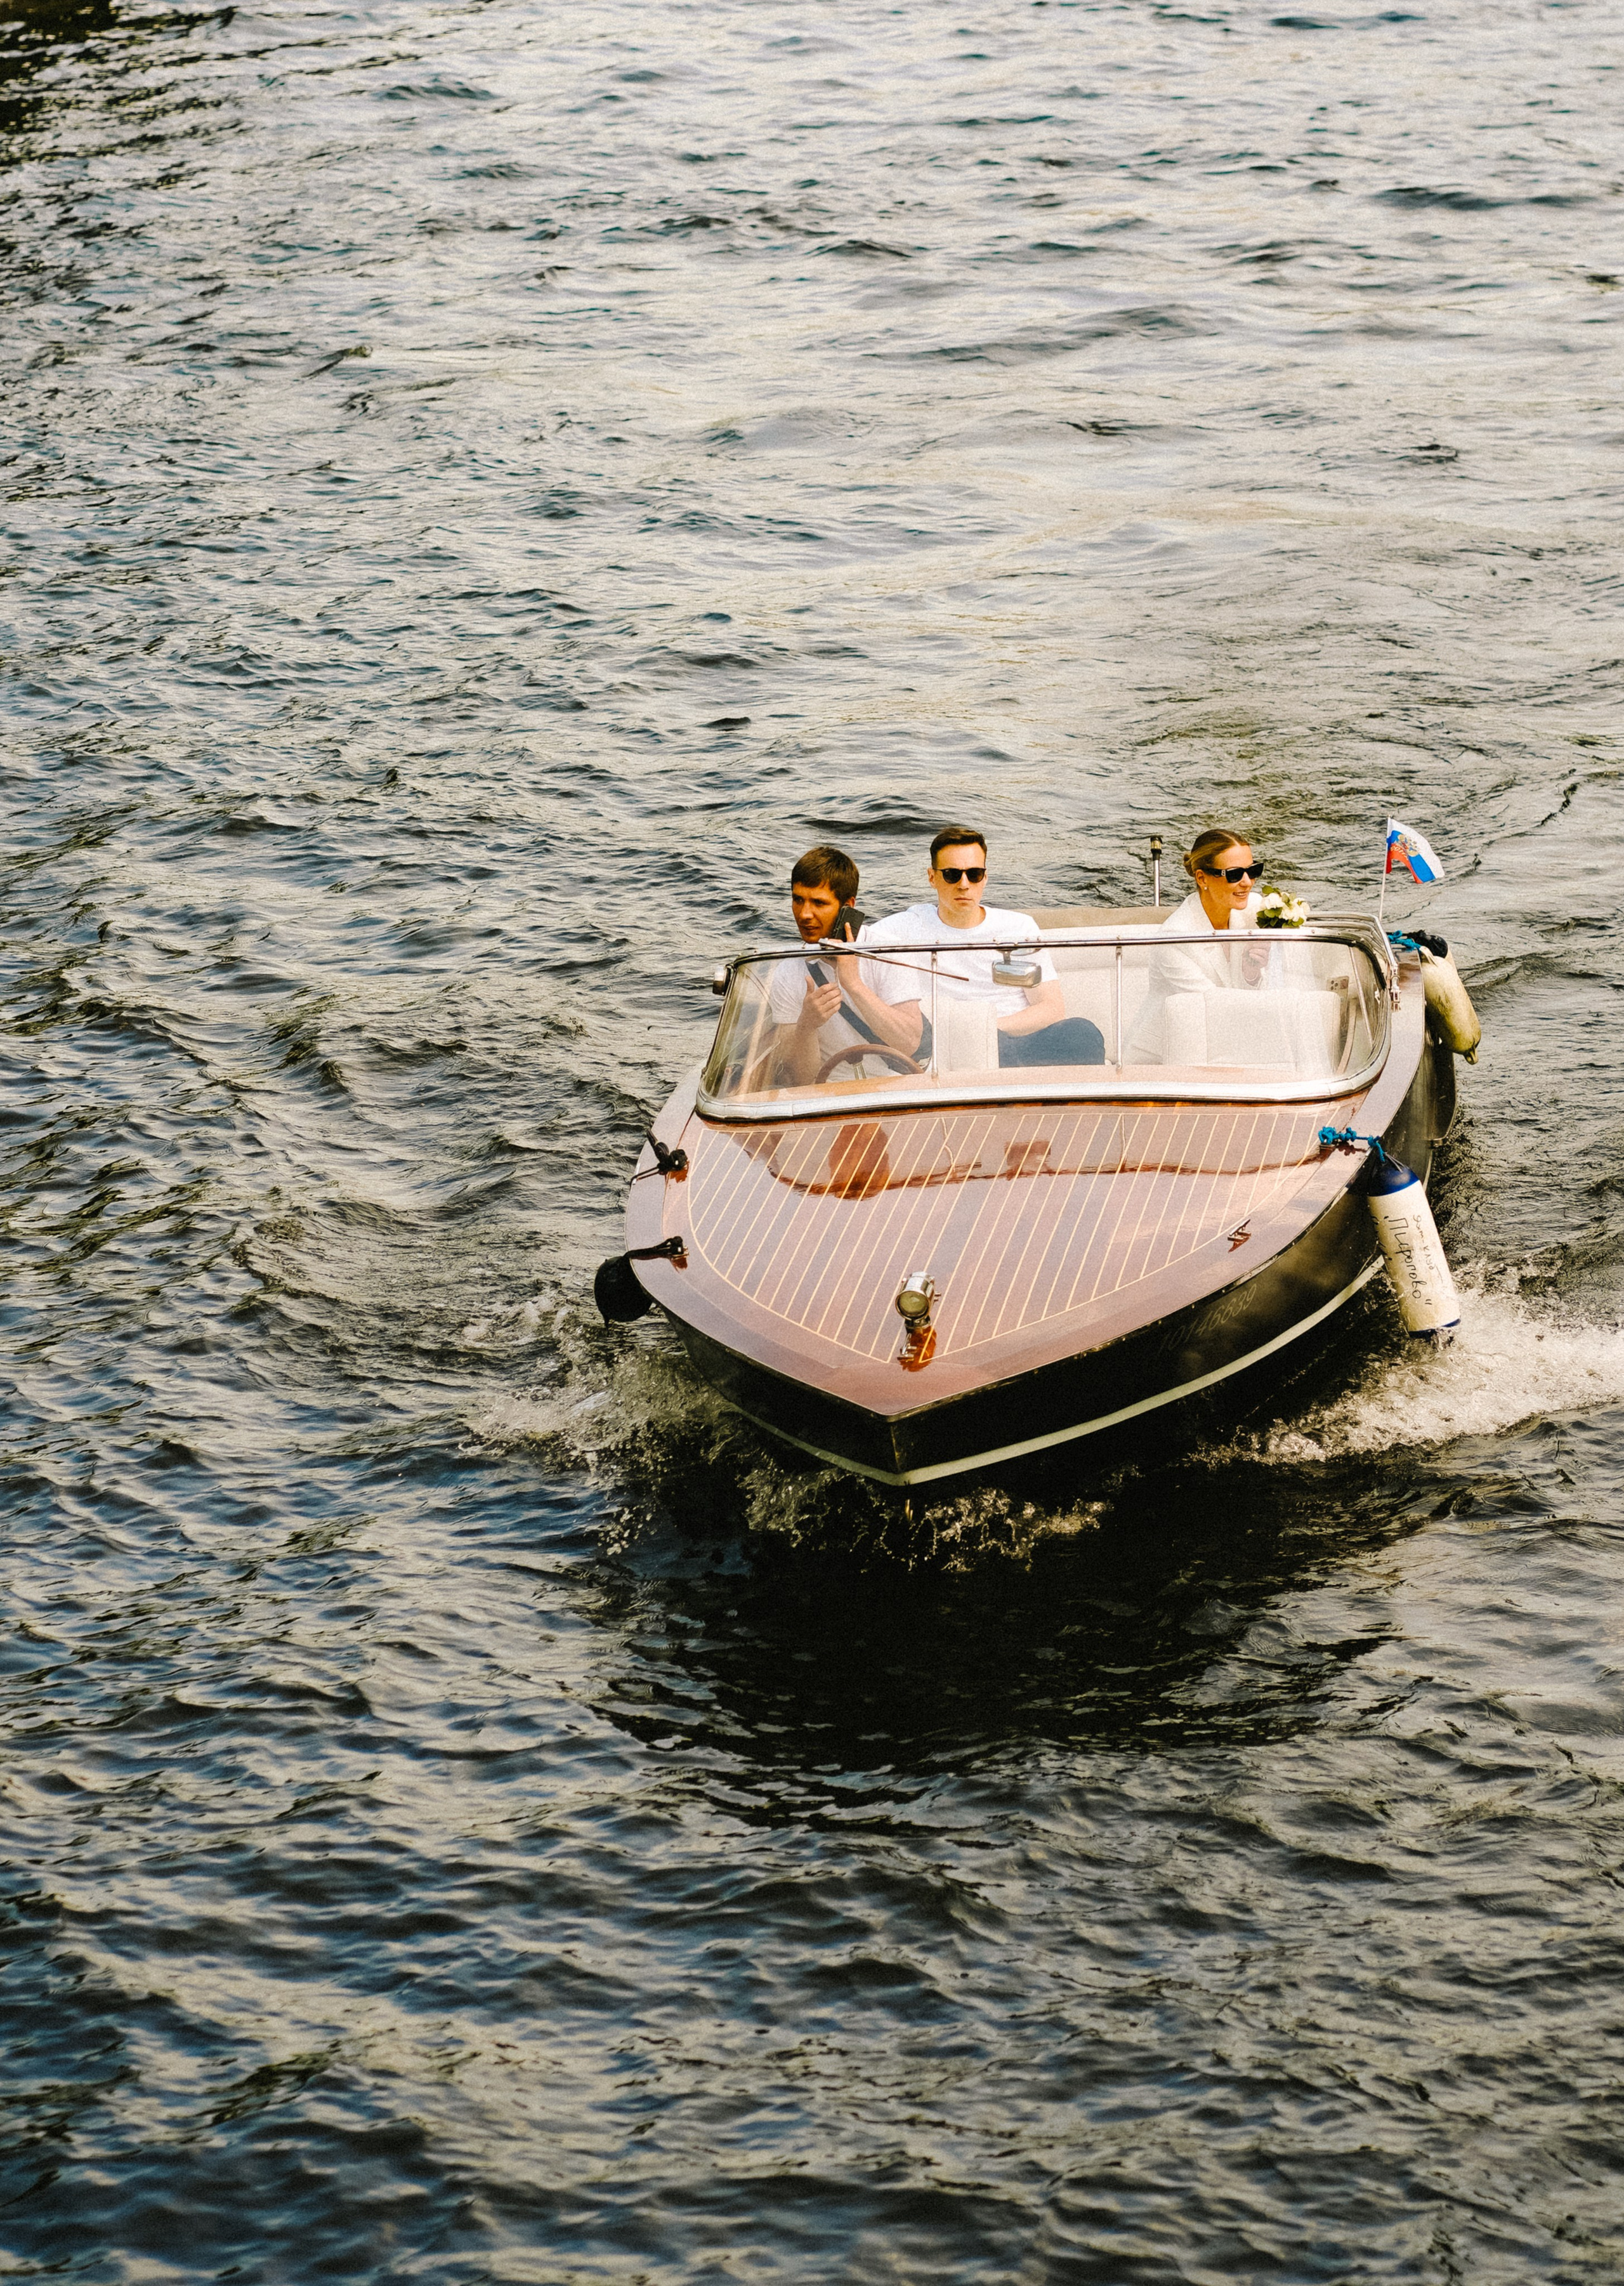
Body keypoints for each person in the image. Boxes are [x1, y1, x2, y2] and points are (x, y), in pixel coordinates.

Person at [861, 826, 1104, 1068]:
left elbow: (1051, 1008)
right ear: (932, 877)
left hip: (1013, 1039)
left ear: (985, 878)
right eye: (952, 875)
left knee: (1083, 1034)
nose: (964, 884)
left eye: (974, 874)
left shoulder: (1018, 927)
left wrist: (984, 1030)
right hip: (944, 1047)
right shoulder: (902, 928)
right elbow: (850, 939)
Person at [766, 844, 925, 1086]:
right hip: (831, 1092)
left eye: (819, 903)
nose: (805, 914)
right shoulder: (789, 971)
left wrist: (853, 984)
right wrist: (807, 1025)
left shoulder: (890, 952)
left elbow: (909, 1042)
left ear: (848, 907)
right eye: (798, 900)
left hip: (899, 1087)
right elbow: (802, 1078)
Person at [1124, 826, 1268, 1062]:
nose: (1247, 882)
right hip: (1161, 1059)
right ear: (1202, 878)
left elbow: (1247, 992)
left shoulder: (1254, 911)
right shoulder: (1175, 937)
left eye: (1253, 871)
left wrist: (1251, 975)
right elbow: (1212, 1006)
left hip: (1224, 1044)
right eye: (1234, 874)